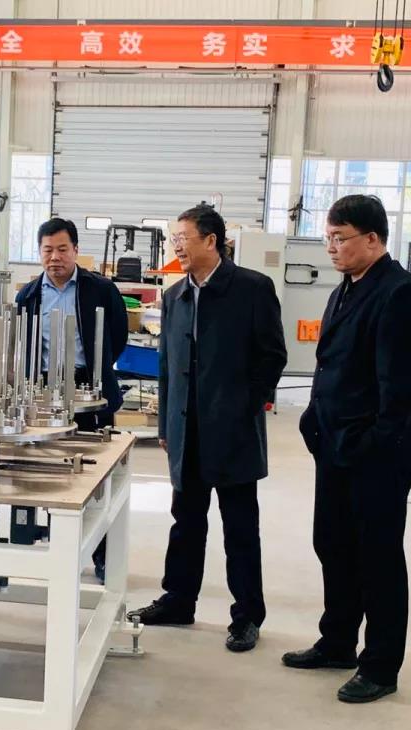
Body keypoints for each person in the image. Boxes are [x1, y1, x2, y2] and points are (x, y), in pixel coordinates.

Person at [284, 195, 411, 703]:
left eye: (339, 238)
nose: (331, 247)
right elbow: (331, 363)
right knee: (334, 544)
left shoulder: (399, 294)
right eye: (328, 237)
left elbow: (398, 388)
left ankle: (381, 666)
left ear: (372, 239)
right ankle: (338, 642)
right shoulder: (346, 287)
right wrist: (313, 416)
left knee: (378, 557)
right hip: (335, 443)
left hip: (376, 452)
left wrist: (371, 443)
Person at [128, 204, 287, 653]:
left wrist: (243, 408)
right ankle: (179, 600)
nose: (176, 246)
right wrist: (166, 423)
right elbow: (166, 365)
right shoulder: (175, 296)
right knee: (185, 520)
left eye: (183, 238)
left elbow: (272, 356)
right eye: (174, 239)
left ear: (211, 240)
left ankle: (247, 615)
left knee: (240, 527)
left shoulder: (252, 289)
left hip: (233, 431)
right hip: (186, 429)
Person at [15, 218, 129, 581]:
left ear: (76, 250)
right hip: (46, 391)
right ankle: (61, 550)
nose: (55, 257)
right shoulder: (28, 295)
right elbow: (24, 346)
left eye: (62, 249)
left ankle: (103, 554)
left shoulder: (101, 289)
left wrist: (97, 374)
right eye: (47, 250)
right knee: (53, 472)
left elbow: (118, 336)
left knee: (96, 474)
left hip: (90, 388)